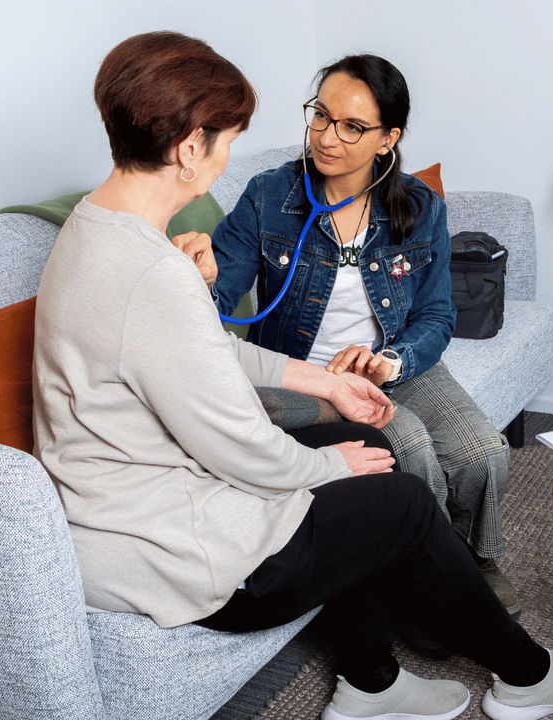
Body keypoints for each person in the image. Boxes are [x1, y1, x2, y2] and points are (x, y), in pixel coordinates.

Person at [32, 31, 553, 720]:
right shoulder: (156, 271)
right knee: (391, 493)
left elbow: (206, 349)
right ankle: (529, 676)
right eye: (224, 143)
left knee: (366, 454)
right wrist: (331, 469)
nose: (225, 162)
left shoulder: (95, 229)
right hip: (175, 551)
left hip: (137, 509)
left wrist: (328, 385)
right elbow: (237, 443)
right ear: (191, 147)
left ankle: (370, 683)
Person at [210, 54, 520, 616]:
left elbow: (436, 316)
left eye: (352, 127)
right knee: (412, 450)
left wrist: (391, 361)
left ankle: (473, 560)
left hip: (398, 363)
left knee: (482, 453)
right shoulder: (268, 197)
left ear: (387, 138)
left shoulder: (421, 207)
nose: (328, 138)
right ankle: (422, 581)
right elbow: (211, 301)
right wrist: (196, 275)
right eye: (320, 116)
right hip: (307, 377)